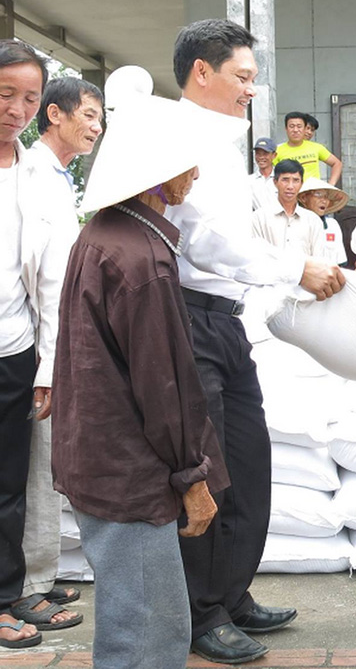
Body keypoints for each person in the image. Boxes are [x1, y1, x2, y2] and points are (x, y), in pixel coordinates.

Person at [165, 19, 345, 665]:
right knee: (205, 472)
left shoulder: (226, 141)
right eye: (242, 77)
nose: (252, 89)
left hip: (226, 319)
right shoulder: (178, 139)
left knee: (247, 460)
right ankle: (199, 611)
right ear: (202, 73)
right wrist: (296, 268)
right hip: (187, 319)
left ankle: (231, 591)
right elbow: (204, 239)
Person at [52, 92, 234, 669]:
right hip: (132, 473)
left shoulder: (104, 235)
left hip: (99, 458)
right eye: (189, 162)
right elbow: (168, 389)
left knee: (131, 618)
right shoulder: (142, 260)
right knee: (150, 635)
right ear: (159, 173)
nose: (197, 173)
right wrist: (191, 477)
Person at [16, 77, 105, 629]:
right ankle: (26, 585)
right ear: (54, 114)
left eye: (100, 118)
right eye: (89, 115)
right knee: (30, 469)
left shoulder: (56, 175)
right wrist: (48, 365)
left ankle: (40, 577)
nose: (96, 126)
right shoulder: (32, 175)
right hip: (33, 345)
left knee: (45, 464)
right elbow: (43, 279)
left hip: (50, 340)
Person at [0, 39, 49, 652]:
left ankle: (6, 597)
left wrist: (49, 361)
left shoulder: (35, 174)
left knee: (9, 484)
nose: (16, 109)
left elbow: (53, 273)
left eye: (29, 98)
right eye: (6, 94)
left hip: (13, 348)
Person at [251, 159, 327, 257]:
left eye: (296, 180)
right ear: (275, 182)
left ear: (301, 184)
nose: (290, 186)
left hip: (306, 272)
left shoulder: (313, 220)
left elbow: (319, 260)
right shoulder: (259, 218)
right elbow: (256, 257)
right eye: (285, 180)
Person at [273, 111, 343, 184]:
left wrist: (330, 185)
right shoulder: (277, 151)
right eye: (291, 126)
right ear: (286, 129)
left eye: (299, 126)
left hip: (313, 193)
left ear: (304, 128)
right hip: (290, 193)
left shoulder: (316, 147)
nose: (295, 130)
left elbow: (337, 164)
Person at [298, 177, 349, 265]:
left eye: (326, 197)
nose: (324, 201)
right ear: (303, 198)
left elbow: (340, 261)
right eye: (318, 194)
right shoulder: (296, 223)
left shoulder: (332, 225)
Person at [249, 136, 277, 211]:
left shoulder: (281, 178)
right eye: (258, 154)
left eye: (265, 154)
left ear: (274, 155)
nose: (261, 157)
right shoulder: (249, 181)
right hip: (258, 221)